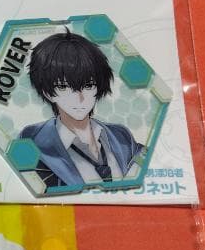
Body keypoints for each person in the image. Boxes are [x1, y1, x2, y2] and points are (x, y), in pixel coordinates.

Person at [21, 30, 143, 191]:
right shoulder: (34, 143)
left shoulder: (121, 136)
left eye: (88, 85)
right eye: (64, 87)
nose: (80, 98)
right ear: (48, 93)